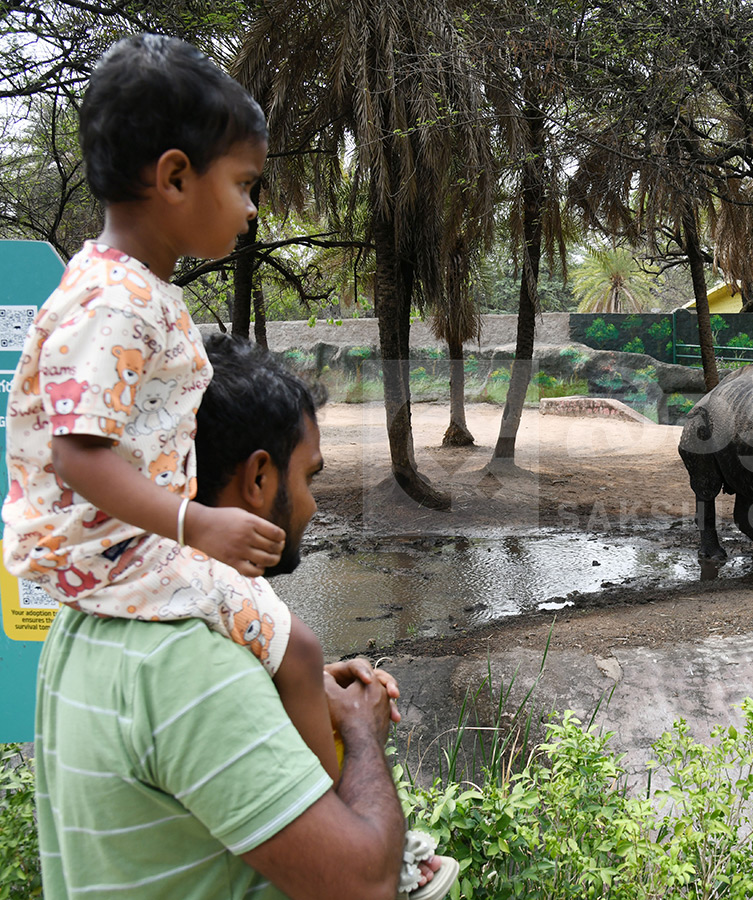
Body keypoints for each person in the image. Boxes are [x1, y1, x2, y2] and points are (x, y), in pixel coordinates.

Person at [1, 33, 338, 780]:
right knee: (303, 650)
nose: (251, 210)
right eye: (245, 184)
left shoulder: (129, 291)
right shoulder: (114, 302)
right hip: (122, 559)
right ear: (176, 178)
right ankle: (337, 828)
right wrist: (196, 524)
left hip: (129, 552)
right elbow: (76, 453)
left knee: (285, 645)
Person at [34, 332, 456, 899]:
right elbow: (365, 885)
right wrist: (361, 731)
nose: (311, 504)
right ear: (259, 479)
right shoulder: (190, 668)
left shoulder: (88, 614)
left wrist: (282, 692)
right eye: (309, 477)